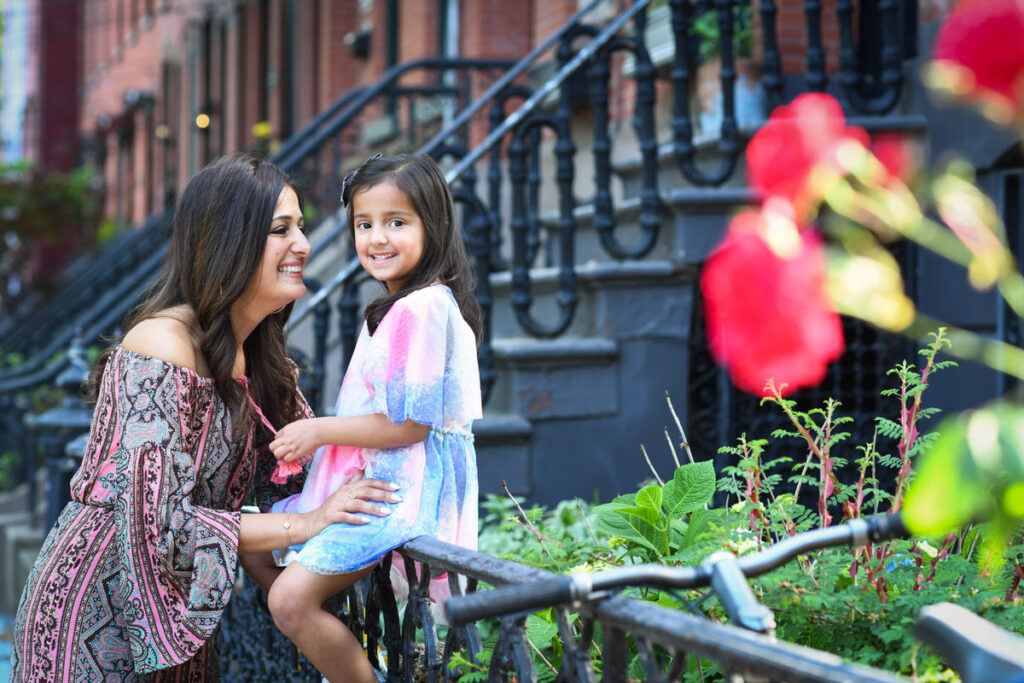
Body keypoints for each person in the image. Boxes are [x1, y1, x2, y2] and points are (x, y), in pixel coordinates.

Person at [10, 153, 399, 682]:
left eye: (301, 227)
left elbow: (303, 475)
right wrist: (307, 522)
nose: (304, 245)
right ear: (230, 242)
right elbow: (157, 518)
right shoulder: (161, 345)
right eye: (281, 229)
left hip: (180, 611)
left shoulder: (260, 355)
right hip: (97, 612)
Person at [258, 153, 482, 683]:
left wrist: (320, 430)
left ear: (435, 225)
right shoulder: (401, 304)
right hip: (386, 476)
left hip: (404, 484)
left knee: (290, 599)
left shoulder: (423, 308)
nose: (377, 238)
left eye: (396, 222)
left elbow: (411, 426)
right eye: (364, 224)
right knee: (264, 557)